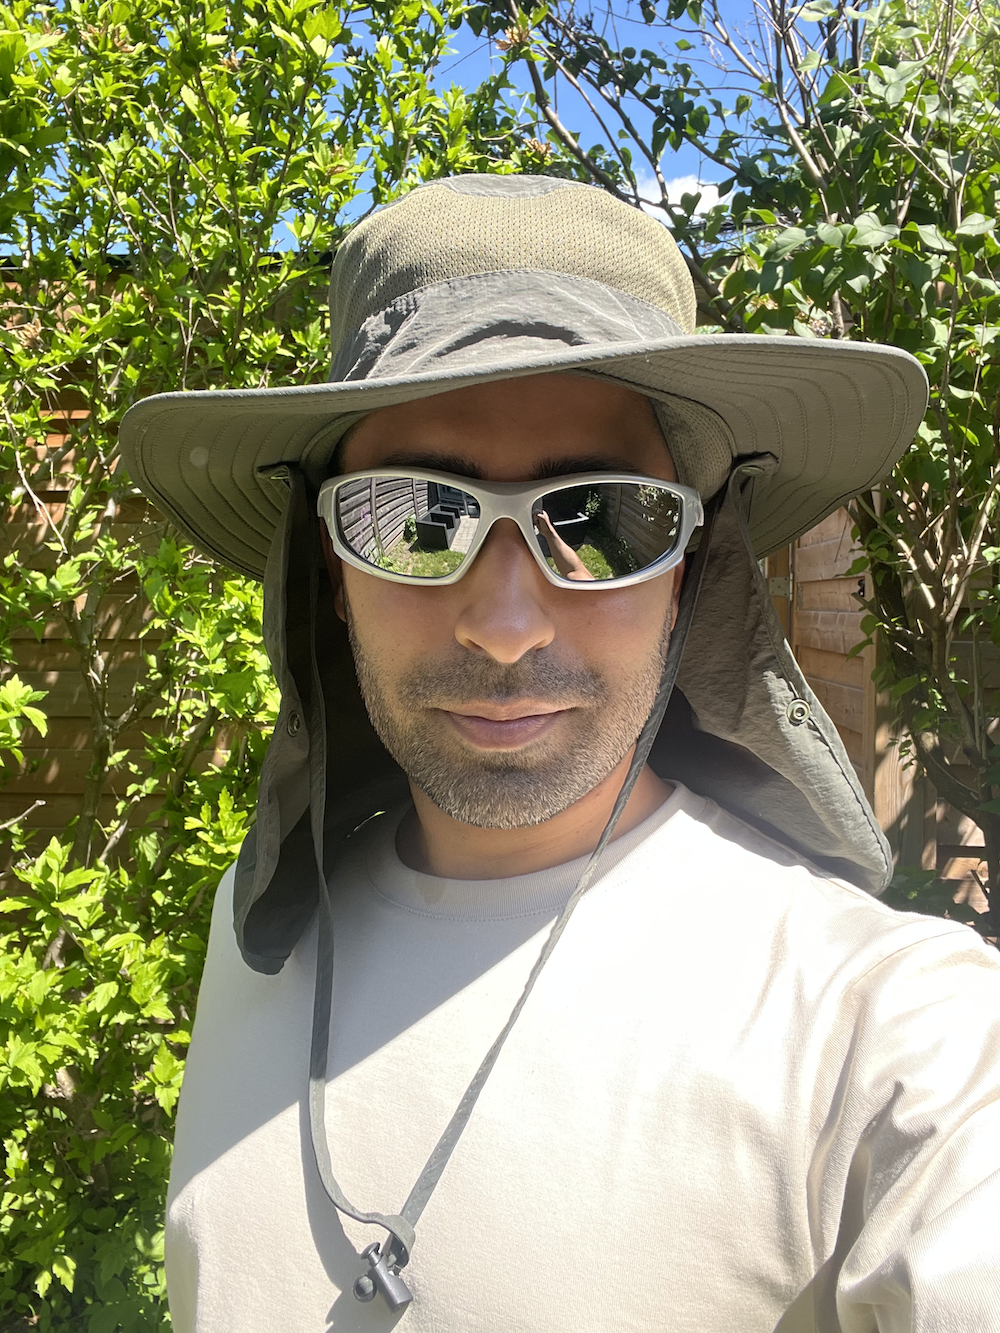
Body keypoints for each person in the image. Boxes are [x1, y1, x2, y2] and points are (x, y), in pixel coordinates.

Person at [120, 175, 1000, 1332]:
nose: (506, 624)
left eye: (602, 521)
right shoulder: (265, 928)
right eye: (415, 518)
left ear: (689, 565)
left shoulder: (884, 1030)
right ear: (329, 571)